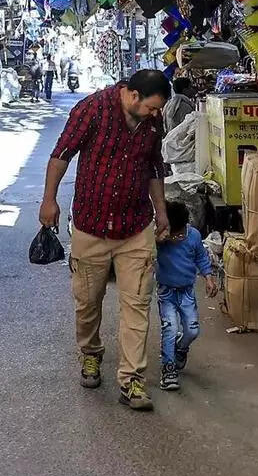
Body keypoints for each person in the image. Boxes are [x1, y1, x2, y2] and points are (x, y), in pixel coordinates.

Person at [40, 68, 171, 412]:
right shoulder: (92, 109)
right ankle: (90, 354)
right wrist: (49, 200)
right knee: (87, 302)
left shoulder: (153, 124)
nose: (155, 115)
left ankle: (133, 381)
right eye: (151, 108)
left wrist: (162, 213)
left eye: (158, 110)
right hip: (90, 226)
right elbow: (61, 154)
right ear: (131, 95)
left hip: (135, 227)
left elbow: (155, 167)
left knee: (137, 304)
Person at [154, 201, 216, 392]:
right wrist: (157, 239)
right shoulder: (160, 239)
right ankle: (169, 370)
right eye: (174, 234)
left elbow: (201, 258)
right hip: (166, 292)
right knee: (169, 329)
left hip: (187, 292)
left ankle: (181, 349)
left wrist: (209, 278)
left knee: (192, 330)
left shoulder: (194, 236)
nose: (177, 237)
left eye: (180, 233)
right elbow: (145, 253)